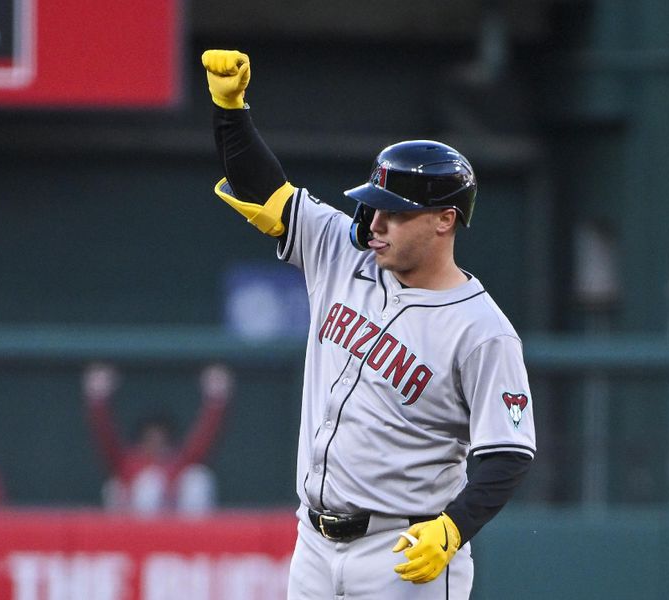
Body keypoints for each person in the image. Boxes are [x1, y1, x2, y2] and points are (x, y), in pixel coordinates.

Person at [202, 49, 536, 599]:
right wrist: (230, 109)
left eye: (394, 211)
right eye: (373, 205)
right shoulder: (343, 251)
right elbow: (263, 189)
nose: (374, 222)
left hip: (402, 552)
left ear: (443, 221)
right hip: (312, 541)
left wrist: (453, 530)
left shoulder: (482, 330)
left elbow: (508, 453)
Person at [82, 363, 233, 516]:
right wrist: (98, 400)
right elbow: (105, 438)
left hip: (176, 525)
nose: (156, 443)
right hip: (133, 525)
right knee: (141, 485)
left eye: (161, 439)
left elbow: (204, 439)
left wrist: (216, 399)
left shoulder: (178, 461)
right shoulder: (127, 462)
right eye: (151, 438)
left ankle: (198, 537)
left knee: (197, 477)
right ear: (141, 440)